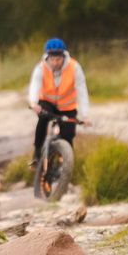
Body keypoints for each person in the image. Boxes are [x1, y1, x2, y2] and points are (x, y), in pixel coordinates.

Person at [25, 37, 90, 170]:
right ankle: (37, 154)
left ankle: (66, 168)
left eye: (58, 59)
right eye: (52, 59)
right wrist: (33, 103)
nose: (55, 62)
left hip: (67, 107)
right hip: (47, 103)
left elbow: (82, 90)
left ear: (63, 56)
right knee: (42, 120)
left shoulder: (74, 67)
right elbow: (34, 86)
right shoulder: (41, 67)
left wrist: (85, 115)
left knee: (68, 135)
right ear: (47, 57)